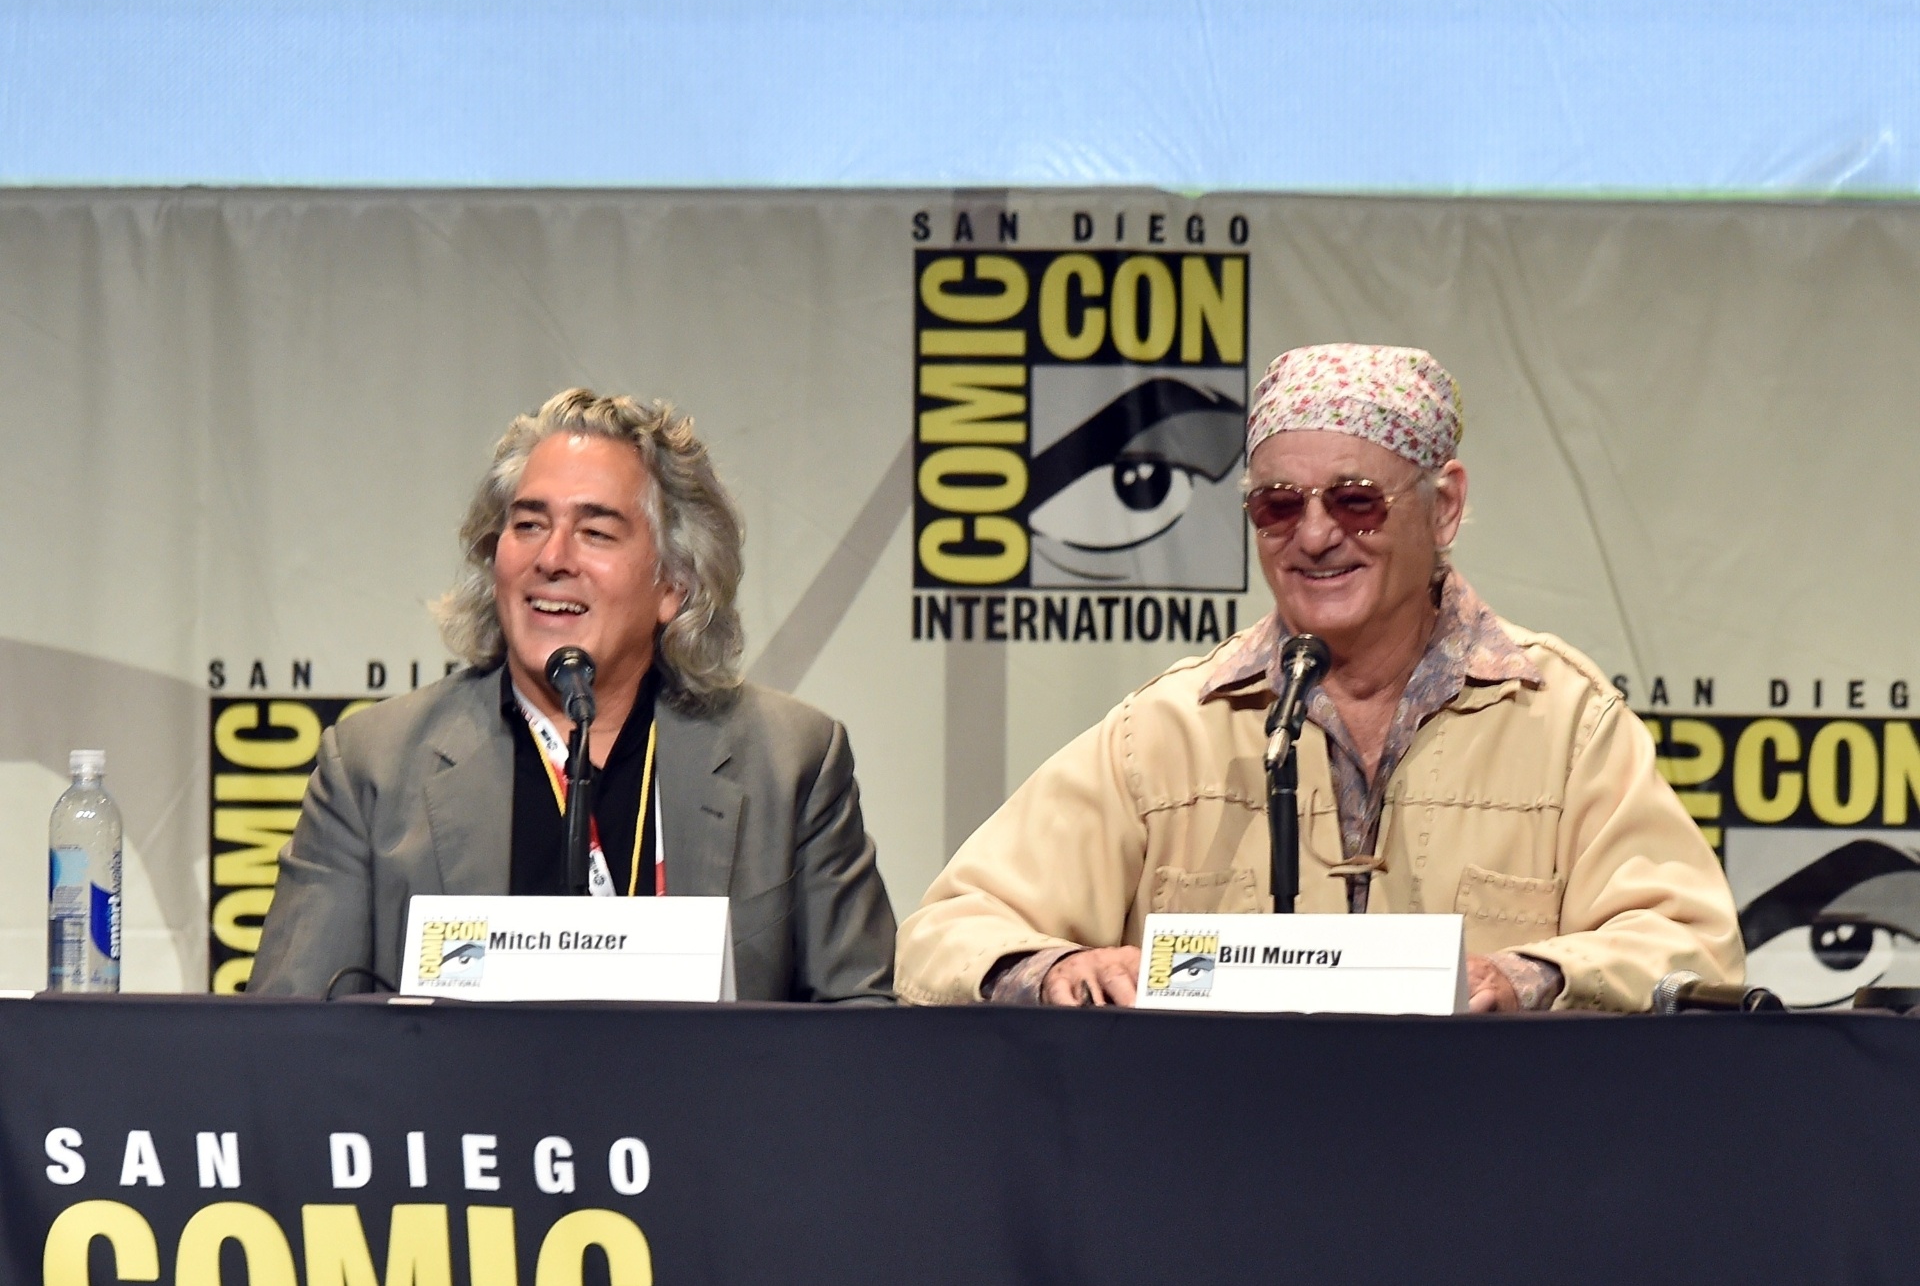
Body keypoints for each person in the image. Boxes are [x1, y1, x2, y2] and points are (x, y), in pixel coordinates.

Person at [896, 344, 1742, 1012]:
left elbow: (1693, 945)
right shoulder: (1164, 732)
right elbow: (946, 933)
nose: (1312, 535)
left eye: (1355, 500)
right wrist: (1058, 968)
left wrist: (1529, 976)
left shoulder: (1565, 723)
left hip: (1487, 1154)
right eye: (1277, 504)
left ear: (1444, 505)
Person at [251, 388, 896, 1002]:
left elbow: (863, 1029)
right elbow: (289, 1037)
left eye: (596, 532)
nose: (552, 557)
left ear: (674, 582)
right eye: (529, 524)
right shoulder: (373, 768)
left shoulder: (788, 763)